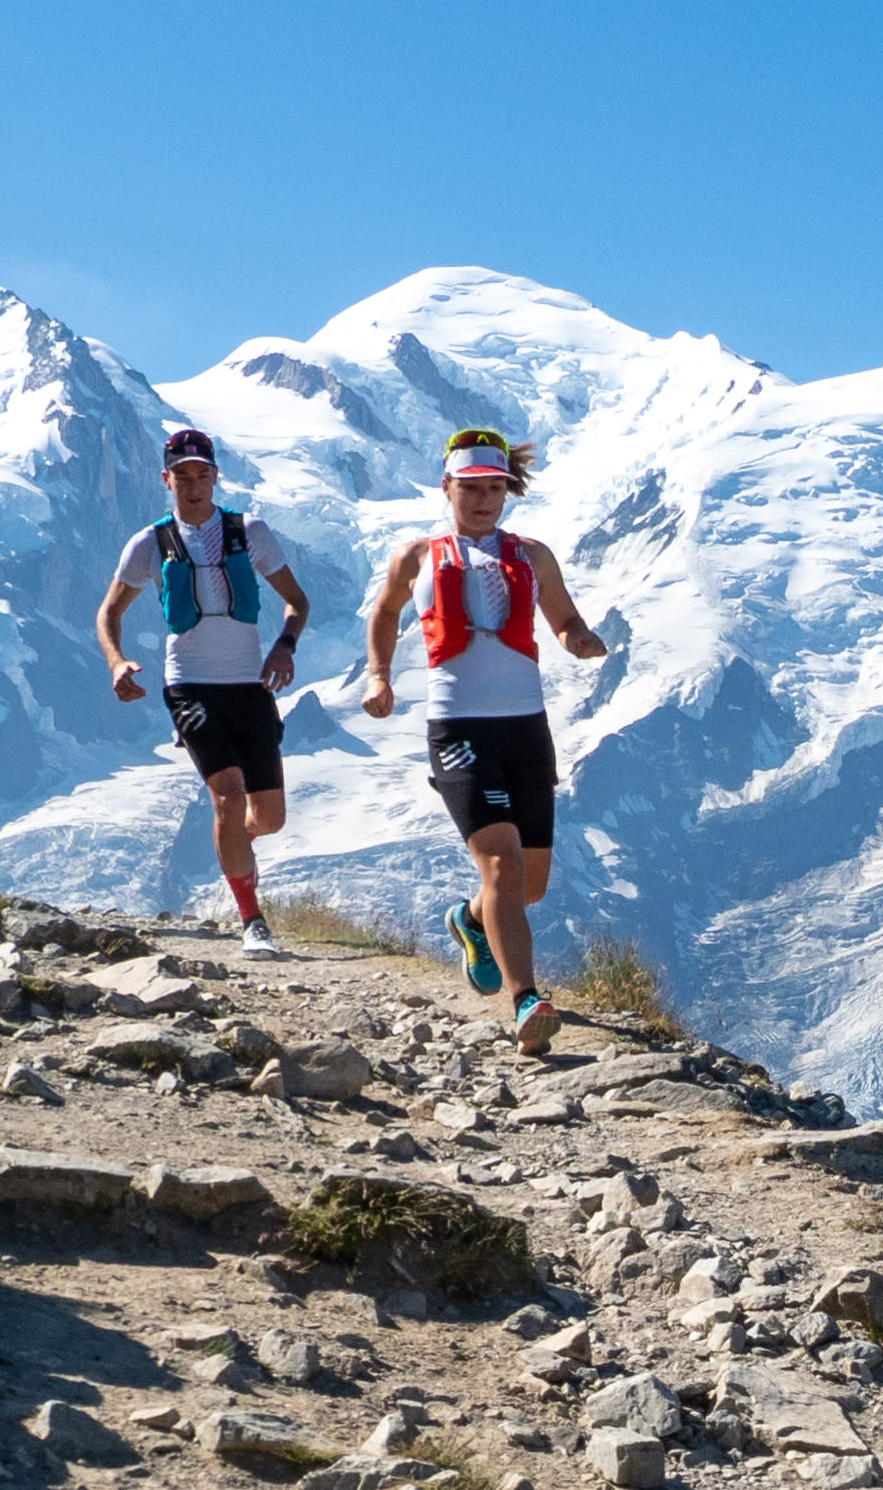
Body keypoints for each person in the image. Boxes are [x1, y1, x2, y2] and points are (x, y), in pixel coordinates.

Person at [360, 422, 604, 1049]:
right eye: (470, 487)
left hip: (526, 729)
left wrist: (579, 640)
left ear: (507, 490)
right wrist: (379, 675)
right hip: (459, 728)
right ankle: (527, 1001)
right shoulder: (417, 556)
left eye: (494, 487)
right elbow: (385, 611)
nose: (482, 499)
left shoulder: (532, 555)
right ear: (447, 487)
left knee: (530, 885)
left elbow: (564, 618)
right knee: (501, 863)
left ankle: (469, 921)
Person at [96, 423, 315, 953]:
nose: (193, 486)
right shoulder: (149, 543)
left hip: (249, 685)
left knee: (269, 818)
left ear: (215, 477)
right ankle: (252, 921)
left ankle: (234, 842)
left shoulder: (249, 532)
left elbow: (297, 602)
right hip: (190, 686)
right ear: (166, 480)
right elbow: (109, 612)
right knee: (228, 798)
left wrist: (284, 646)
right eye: (182, 477)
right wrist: (117, 662)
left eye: (201, 475)